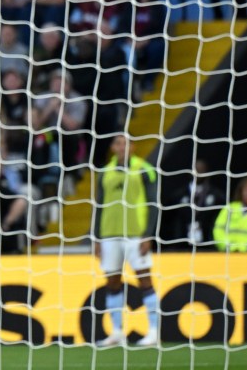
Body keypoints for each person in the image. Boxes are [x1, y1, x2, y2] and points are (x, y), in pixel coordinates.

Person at [93, 134, 159, 347]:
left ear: (134, 146)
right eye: (118, 143)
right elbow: (99, 205)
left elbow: (153, 203)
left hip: (135, 234)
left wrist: (148, 234)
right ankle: (117, 332)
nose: (122, 147)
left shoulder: (144, 169)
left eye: (127, 143)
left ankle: (154, 331)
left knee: (144, 279)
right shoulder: (104, 173)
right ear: (113, 147)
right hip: (109, 234)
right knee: (112, 282)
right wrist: (96, 237)